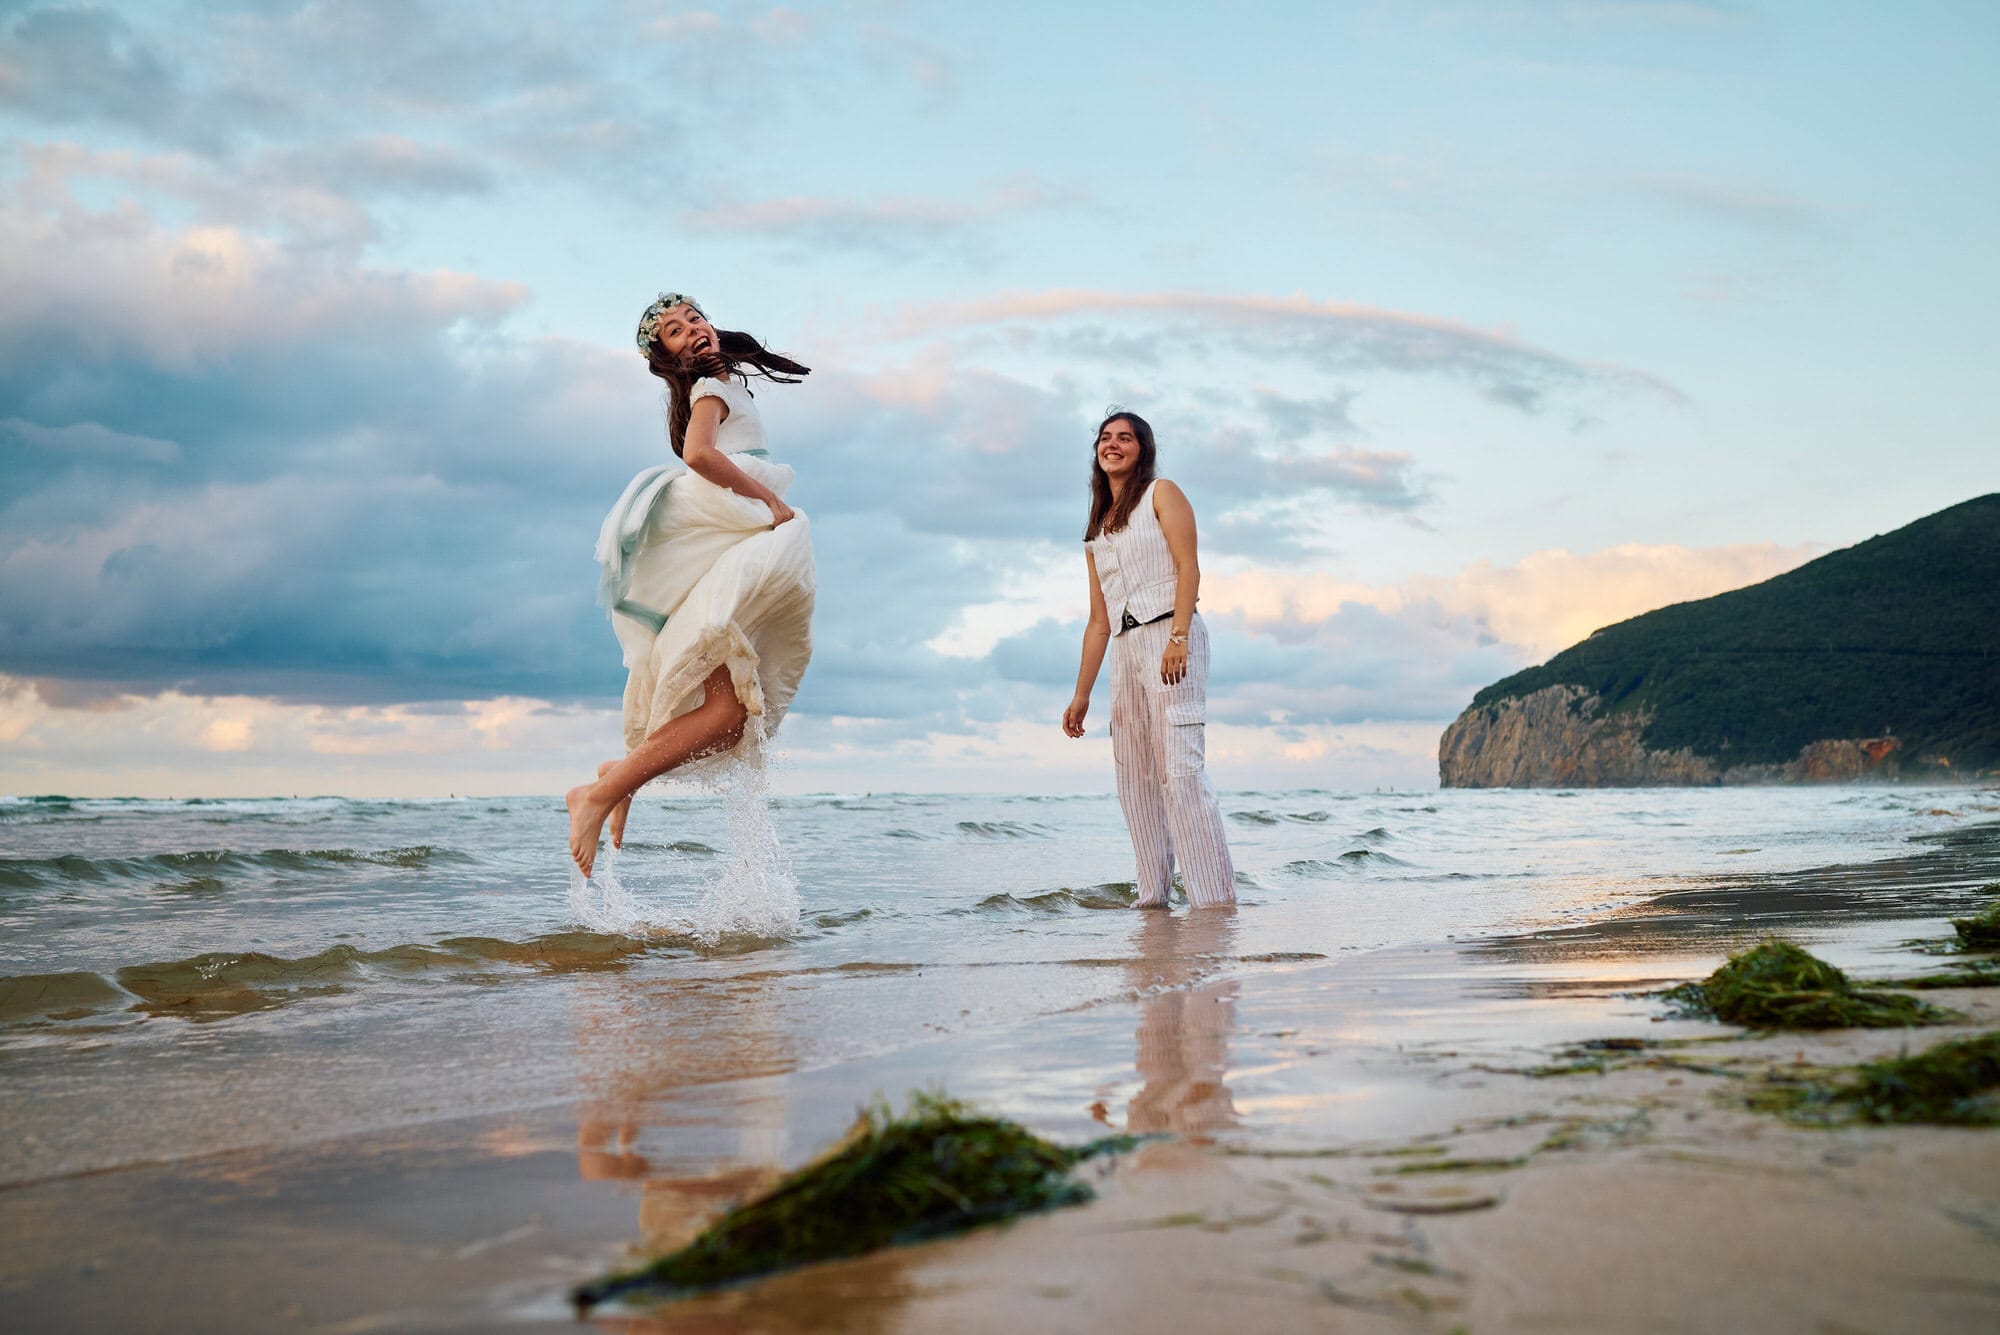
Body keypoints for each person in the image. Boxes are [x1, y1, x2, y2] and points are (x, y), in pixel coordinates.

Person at [566, 293, 815, 876]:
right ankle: (597, 795)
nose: (692, 331)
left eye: (694, 319)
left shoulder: (727, 386)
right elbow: (697, 454)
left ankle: (614, 780)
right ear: (669, 358)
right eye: (675, 332)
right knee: (726, 719)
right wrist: (771, 499)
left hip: (731, 542)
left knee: (728, 722)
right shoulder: (709, 391)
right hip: (740, 531)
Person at [1062, 411, 1236, 909]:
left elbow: (1189, 566)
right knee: (1134, 778)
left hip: (1170, 636)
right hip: (1125, 649)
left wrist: (1178, 636)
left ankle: (1214, 901)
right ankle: (1153, 897)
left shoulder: (1162, 492)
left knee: (1180, 771)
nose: (1112, 444)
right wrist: (1081, 695)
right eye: (1104, 437)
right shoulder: (1096, 531)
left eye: (1125, 437)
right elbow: (1098, 621)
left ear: (1142, 449)